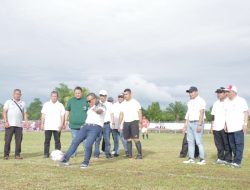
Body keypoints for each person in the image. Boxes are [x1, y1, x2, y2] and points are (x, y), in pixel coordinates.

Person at [60, 93, 106, 168]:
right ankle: (65, 160)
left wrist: (94, 107)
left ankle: (85, 162)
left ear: (94, 99)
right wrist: (84, 124)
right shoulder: (89, 108)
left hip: (96, 127)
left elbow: (99, 112)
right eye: (87, 101)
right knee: (75, 141)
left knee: (88, 144)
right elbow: (90, 118)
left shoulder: (101, 106)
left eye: (89, 101)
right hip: (86, 126)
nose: (88, 102)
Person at [224, 85, 249, 168]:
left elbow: (246, 112)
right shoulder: (226, 101)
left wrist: (245, 124)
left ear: (234, 92)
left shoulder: (241, 100)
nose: (227, 93)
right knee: (232, 145)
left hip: (238, 127)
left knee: (239, 144)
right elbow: (226, 114)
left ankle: (238, 162)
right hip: (230, 127)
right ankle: (235, 160)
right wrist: (225, 124)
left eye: (228, 91)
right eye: (226, 91)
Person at [183, 86, 206, 165]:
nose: (190, 94)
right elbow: (188, 113)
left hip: (197, 123)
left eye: (191, 92)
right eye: (189, 92)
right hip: (190, 123)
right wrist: (186, 124)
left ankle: (202, 159)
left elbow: (202, 112)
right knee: (190, 142)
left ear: (196, 92)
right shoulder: (190, 102)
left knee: (199, 142)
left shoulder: (201, 100)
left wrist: (199, 124)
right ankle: (191, 158)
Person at [2, 89, 29, 160]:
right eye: (16, 94)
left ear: (21, 95)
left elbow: (25, 113)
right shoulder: (8, 102)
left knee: (19, 141)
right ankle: (6, 155)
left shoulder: (23, 103)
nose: (17, 95)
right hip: (9, 124)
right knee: (7, 140)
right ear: (13, 94)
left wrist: (26, 122)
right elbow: (4, 112)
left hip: (19, 125)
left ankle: (17, 155)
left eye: (19, 94)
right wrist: (5, 121)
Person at [118, 88, 143, 159]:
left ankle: (139, 155)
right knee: (128, 139)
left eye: (126, 94)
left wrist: (140, 122)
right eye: (124, 94)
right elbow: (121, 114)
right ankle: (130, 154)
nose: (125, 96)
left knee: (136, 139)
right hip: (126, 123)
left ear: (130, 94)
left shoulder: (135, 103)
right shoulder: (122, 104)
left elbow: (139, 113)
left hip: (134, 122)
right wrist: (119, 124)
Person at [64, 86, 88, 157]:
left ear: (81, 93)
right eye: (76, 93)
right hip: (73, 125)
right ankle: (73, 154)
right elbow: (67, 111)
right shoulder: (71, 101)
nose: (77, 94)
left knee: (85, 141)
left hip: (84, 125)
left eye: (79, 93)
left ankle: (87, 154)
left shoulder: (86, 100)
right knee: (75, 140)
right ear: (74, 93)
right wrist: (65, 120)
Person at [41, 91, 65, 158]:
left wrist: (61, 124)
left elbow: (62, 115)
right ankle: (46, 154)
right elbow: (43, 114)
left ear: (57, 97)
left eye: (55, 96)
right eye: (53, 96)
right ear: (50, 97)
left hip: (57, 126)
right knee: (47, 141)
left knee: (57, 141)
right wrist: (42, 124)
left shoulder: (60, 105)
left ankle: (58, 154)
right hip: (48, 126)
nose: (54, 97)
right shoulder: (46, 104)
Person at [211, 87, 232, 164]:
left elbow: (229, 115)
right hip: (216, 127)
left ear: (225, 93)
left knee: (226, 144)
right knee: (218, 144)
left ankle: (228, 159)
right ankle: (220, 158)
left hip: (225, 127)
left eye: (220, 92)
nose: (218, 94)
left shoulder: (228, 102)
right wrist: (212, 126)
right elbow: (213, 115)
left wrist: (227, 125)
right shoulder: (215, 103)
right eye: (217, 93)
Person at [94, 90, 114, 159]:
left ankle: (107, 154)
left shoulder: (109, 104)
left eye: (104, 96)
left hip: (107, 124)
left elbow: (112, 114)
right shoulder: (96, 103)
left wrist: (113, 123)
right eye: (101, 95)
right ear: (99, 96)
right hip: (98, 124)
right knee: (97, 140)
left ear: (106, 96)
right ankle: (96, 154)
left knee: (107, 140)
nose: (102, 97)